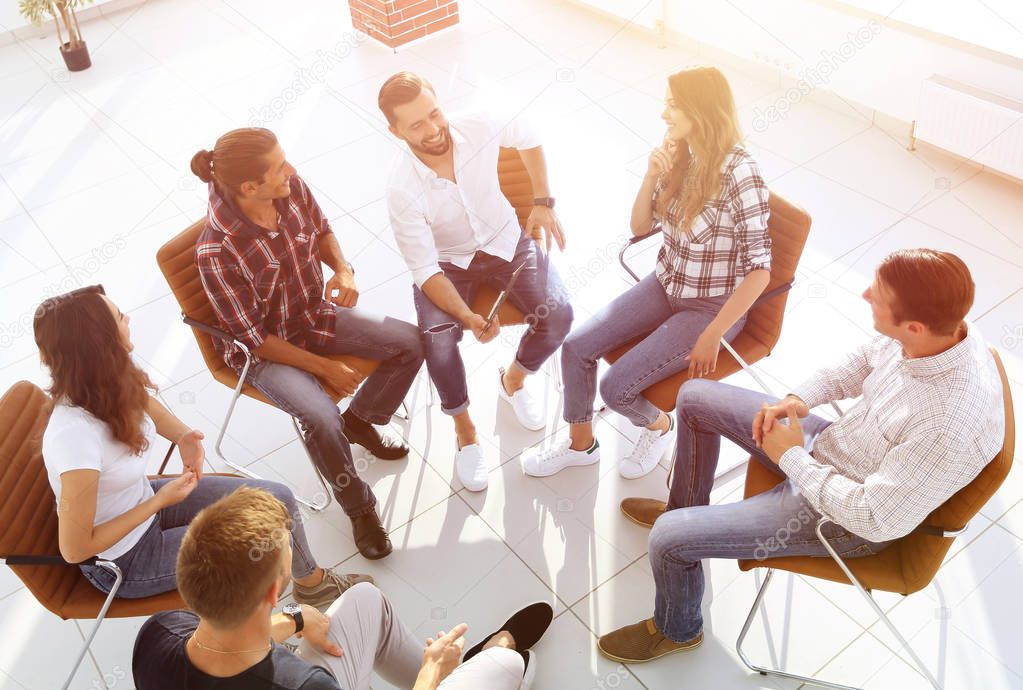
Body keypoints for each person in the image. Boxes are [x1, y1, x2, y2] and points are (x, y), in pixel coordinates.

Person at [597, 249, 1005, 663]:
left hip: (843, 515)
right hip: (832, 447)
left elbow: (875, 519)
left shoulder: (946, 425)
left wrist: (791, 457)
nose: (864, 294)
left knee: (668, 537)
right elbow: (863, 361)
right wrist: (796, 399)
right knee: (694, 397)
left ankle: (678, 629)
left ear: (914, 326)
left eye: (876, 296)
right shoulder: (945, 332)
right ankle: (687, 507)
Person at [35, 285, 367, 607]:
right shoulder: (73, 437)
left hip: (146, 504)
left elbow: (143, 402)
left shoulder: (103, 381)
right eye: (120, 317)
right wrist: (159, 502)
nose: (129, 319)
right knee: (259, 548)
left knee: (276, 499)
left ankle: (313, 585)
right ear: (99, 343)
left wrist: (183, 436)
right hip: (126, 560)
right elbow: (75, 550)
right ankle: (246, 648)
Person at [521, 67, 772, 480]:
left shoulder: (741, 173)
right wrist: (653, 173)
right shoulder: (681, 156)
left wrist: (713, 335)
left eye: (673, 105)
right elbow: (639, 228)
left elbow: (760, 271)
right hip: (665, 284)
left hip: (708, 309)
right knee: (576, 347)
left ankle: (660, 427)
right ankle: (581, 445)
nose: (664, 115)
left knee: (616, 389)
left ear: (701, 109)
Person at [191, 128, 426, 559]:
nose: (292, 171)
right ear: (250, 187)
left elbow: (321, 230)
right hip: (262, 354)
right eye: (280, 167)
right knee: (320, 415)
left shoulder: (289, 188)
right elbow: (256, 340)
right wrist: (325, 369)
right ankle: (358, 507)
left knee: (411, 342)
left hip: (313, 315)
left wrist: (343, 270)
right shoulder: (216, 250)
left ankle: (361, 419)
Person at [132, 486, 555, 690]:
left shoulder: (160, 632)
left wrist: (298, 618)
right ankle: (489, 657)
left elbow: (228, 637)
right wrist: (428, 672)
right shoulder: (304, 686)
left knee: (366, 599)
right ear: (269, 594)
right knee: (507, 666)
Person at [379, 71, 573, 493]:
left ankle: (514, 380)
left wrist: (543, 201)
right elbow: (425, 269)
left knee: (559, 314)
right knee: (440, 340)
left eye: (434, 114)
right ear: (395, 131)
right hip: (447, 265)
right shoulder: (400, 189)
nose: (434, 130)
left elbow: (531, 134)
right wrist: (467, 315)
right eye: (416, 125)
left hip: (505, 240)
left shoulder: (480, 123)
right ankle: (465, 432)